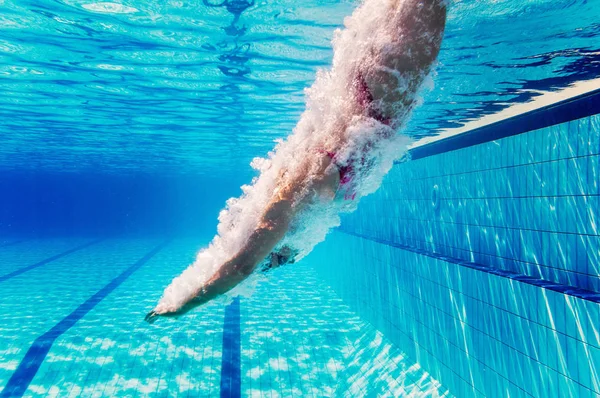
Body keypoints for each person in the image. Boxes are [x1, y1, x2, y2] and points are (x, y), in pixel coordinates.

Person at [145, 0, 447, 322]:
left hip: (379, 91)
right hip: (385, 102)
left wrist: (183, 304)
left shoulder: (287, 195)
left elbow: (243, 265)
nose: (273, 261)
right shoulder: (310, 218)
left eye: (267, 254)